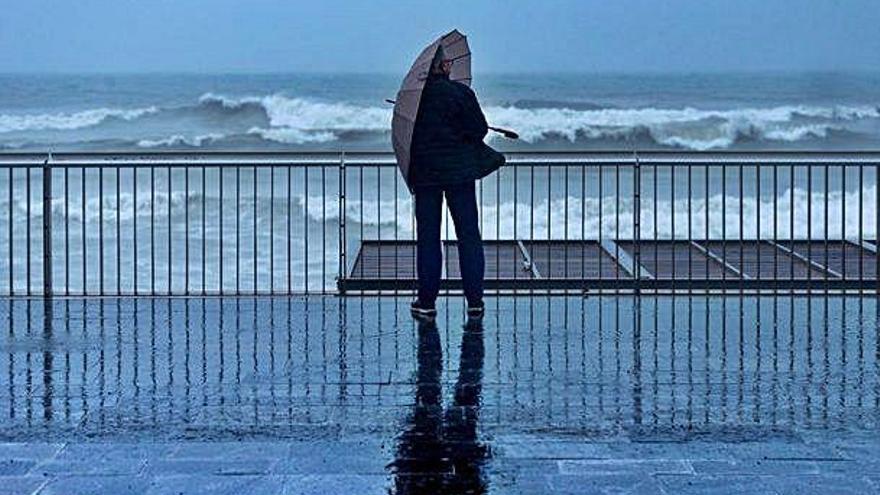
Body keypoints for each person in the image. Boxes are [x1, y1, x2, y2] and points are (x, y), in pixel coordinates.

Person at [408, 46, 505, 320]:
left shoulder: (416, 100)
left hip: (426, 176)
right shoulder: (462, 94)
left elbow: (411, 136)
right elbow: (479, 130)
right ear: (446, 66)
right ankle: (475, 303)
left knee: (429, 238)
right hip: (460, 176)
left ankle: (426, 303)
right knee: (468, 236)